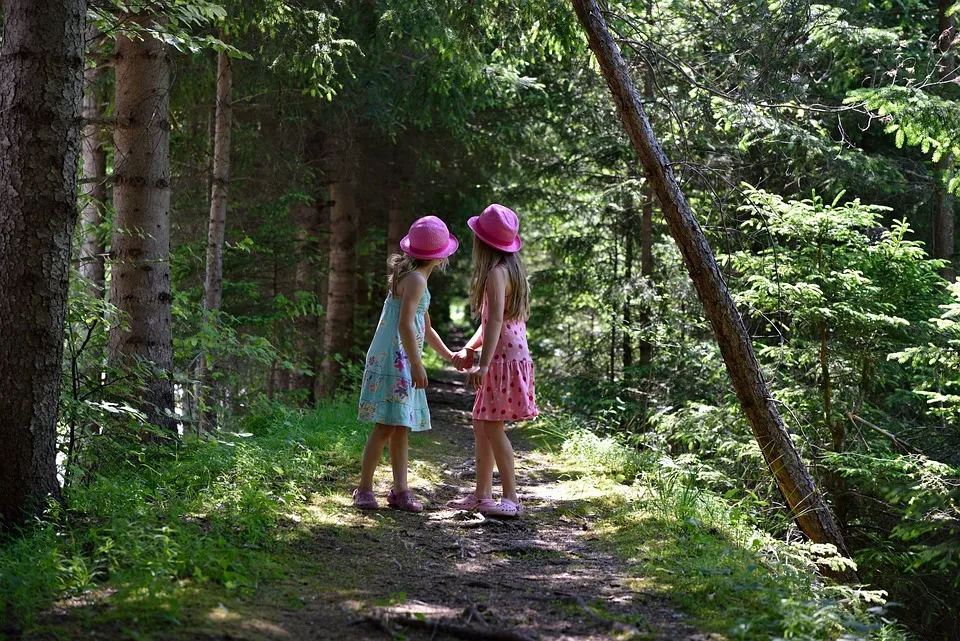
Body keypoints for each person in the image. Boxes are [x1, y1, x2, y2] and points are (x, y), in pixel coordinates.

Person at [353, 216, 459, 512]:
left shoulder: (417, 280)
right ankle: (363, 488)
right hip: (394, 359)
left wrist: (449, 356)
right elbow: (403, 325)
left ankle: (400, 490)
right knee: (385, 426)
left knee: (400, 426)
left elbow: (426, 326)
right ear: (440, 256)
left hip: (398, 357)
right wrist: (416, 363)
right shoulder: (414, 280)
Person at [448, 204, 537, 518]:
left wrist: (482, 364)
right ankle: (482, 495)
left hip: (501, 358)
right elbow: (488, 323)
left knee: (492, 427)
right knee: (481, 423)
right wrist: (470, 349)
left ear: (483, 243)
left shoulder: (496, 275)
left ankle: (511, 497)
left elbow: (496, 322)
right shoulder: (508, 270)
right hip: (506, 352)